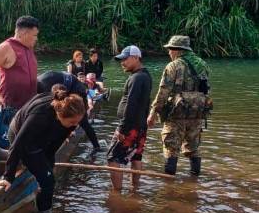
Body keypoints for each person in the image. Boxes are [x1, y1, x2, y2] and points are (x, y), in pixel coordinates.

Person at [0, 86, 86, 213]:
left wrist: (49, 165)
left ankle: (1, 153)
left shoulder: (71, 115)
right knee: (48, 181)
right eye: (72, 123)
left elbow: (55, 143)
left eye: (77, 122)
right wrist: (8, 176)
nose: (75, 126)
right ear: (59, 115)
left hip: (41, 134)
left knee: (46, 172)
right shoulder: (40, 115)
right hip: (19, 133)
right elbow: (19, 144)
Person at [147, 35, 211, 176]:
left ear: (178, 50)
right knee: (194, 148)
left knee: (171, 148)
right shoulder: (203, 64)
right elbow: (206, 90)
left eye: (170, 49)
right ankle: (194, 183)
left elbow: (163, 91)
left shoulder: (173, 66)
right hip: (197, 113)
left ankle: (169, 186)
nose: (169, 52)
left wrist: (153, 112)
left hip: (176, 114)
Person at [0, 16, 39, 151]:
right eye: (34, 35)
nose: (36, 39)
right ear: (24, 33)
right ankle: (7, 160)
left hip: (29, 106)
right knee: (14, 144)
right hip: (12, 108)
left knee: (27, 142)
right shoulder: (6, 48)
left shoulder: (28, 48)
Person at [107, 45, 152, 191]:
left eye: (125, 59)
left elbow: (131, 104)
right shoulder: (146, 76)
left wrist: (122, 128)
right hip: (140, 126)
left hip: (130, 127)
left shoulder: (136, 78)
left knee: (112, 158)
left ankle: (117, 194)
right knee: (136, 157)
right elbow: (145, 104)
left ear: (136, 58)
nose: (122, 62)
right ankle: (135, 189)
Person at [36, 70, 101, 151]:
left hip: (73, 88)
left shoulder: (42, 87)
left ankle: (97, 147)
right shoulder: (40, 85)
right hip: (62, 85)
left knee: (82, 121)